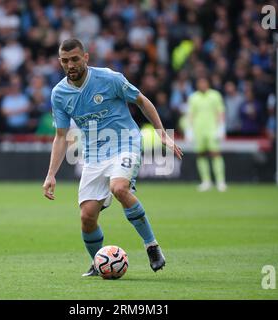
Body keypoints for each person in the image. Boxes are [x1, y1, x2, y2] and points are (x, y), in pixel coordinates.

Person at [42, 39, 183, 276]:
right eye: (65, 61)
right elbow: (61, 136)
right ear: (60, 62)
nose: (70, 65)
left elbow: (142, 101)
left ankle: (152, 246)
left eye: (75, 59)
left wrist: (162, 133)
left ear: (85, 58)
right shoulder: (59, 94)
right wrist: (50, 175)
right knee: (87, 216)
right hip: (94, 155)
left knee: (119, 188)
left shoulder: (109, 79)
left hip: (125, 143)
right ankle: (98, 263)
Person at [187, 76, 227, 192]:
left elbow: (220, 112)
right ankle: (206, 181)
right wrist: (189, 130)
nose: (202, 85)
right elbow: (190, 114)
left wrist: (221, 128)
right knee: (201, 155)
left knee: (216, 154)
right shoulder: (193, 97)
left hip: (212, 129)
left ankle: (220, 181)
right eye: (200, 83)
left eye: (204, 83)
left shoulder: (215, 95)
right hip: (198, 130)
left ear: (208, 84)